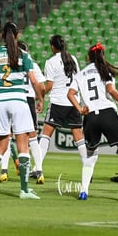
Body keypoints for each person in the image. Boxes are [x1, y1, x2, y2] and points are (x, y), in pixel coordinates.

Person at [0, 22, 44, 199]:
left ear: (1, 35)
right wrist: (40, 99)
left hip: (0, 101)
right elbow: (34, 80)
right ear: (17, 35)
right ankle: (24, 190)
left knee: (1, 146)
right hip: (19, 100)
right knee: (23, 146)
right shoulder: (23, 55)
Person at [67, 42, 118, 202]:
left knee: (91, 155)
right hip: (107, 113)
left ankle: (84, 191)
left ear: (88, 57)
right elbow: (111, 90)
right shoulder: (104, 71)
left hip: (90, 116)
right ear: (102, 56)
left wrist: (79, 109)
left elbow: (70, 94)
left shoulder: (81, 74)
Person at [38, 34, 87, 185]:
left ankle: (37, 168)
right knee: (79, 137)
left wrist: (39, 95)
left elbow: (50, 85)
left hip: (58, 101)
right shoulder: (72, 59)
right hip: (73, 101)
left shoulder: (50, 62)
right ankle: (87, 168)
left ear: (53, 47)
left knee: (46, 135)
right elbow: (79, 80)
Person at [17, 40, 46, 183]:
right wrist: (40, 99)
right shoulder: (33, 65)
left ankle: (4, 170)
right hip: (29, 100)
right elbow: (41, 85)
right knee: (33, 138)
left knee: (11, 137)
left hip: (16, 99)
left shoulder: (12, 64)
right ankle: (39, 170)